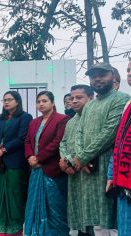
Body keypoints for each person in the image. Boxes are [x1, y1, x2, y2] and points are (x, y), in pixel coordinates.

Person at [72, 63, 129, 235]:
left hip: (107, 168)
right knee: (95, 221)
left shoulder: (121, 99)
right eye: (93, 75)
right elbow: (79, 132)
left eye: (102, 74)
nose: (97, 78)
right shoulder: (89, 105)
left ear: (112, 75)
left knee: (110, 220)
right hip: (87, 170)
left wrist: (82, 157)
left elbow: (109, 133)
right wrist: (80, 158)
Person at [24, 91, 70, 235]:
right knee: (34, 202)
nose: (41, 104)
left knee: (55, 205)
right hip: (35, 169)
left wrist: (39, 158)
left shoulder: (62, 119)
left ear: (52, 103)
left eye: (44, 101)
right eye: (38, 101)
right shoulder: (34, 122)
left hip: (52, 169)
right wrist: (30, 156)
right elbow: (27, 141)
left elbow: (57, 141)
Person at [0, 90, 33, 236]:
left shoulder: (25, 117)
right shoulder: (1, 118)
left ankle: (16, 230)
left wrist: (2, 151)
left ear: (17, 101)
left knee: (14, 197)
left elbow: (22, 138)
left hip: (15, 163)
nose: (6, 102)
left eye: (9, 99)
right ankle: (2, 229)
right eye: (4, 100)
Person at [59, 84, 94, 236]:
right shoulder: (71, 121)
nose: (74, 101)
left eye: (79, 98)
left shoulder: (94, 118)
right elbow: (63, 143)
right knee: (77, 210)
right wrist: (66, 161)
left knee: (91, 212)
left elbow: (94, 143)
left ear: (91, 98)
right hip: (73, 172)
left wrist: (77, 159)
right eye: (72, 98)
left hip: (90, 171)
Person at [107, 60, 131, 235]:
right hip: (124, 182)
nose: (130, 74)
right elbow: (120, 142)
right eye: (129, 70)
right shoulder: (128, 106)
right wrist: (111, 174)